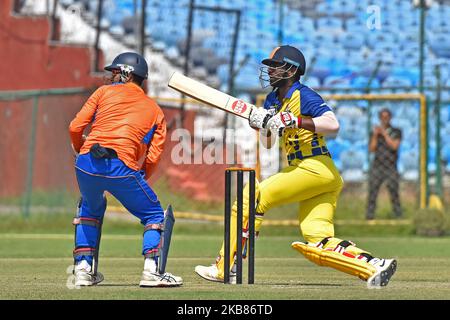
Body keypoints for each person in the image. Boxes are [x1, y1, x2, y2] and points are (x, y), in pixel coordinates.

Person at [195, 45, 397, 288]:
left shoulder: (305, 95)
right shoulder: (272, 100)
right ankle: (375, 265)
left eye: (275, 67)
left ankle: (226, 266)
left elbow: (333, 125)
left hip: (314, 166)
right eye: (268, 67)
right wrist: (261, 124)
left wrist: (295, 119)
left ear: (290, 70)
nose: (269, 72)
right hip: (319, 175)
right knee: (317, 237)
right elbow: (268, 142)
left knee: (252, 196)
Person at [69, 52, 182, 287]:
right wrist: (138, 180)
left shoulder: (102, 93)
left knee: (90, 208)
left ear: (127, 73)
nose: (112, 77)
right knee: (153, 214)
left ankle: (82, 269)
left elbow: (75, 126)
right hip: (123, 168)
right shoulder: (155, 111)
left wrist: (82, 150)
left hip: (86, 164)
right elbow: (153, 156)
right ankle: (151, 272)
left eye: (115, 72)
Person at [366, 108, 403, 220]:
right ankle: (369, 217)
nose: (384, 119)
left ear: (390, 118)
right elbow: (371, 149)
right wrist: (376, 135)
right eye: (382, 117)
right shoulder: (374, 132)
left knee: (394, 191)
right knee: (373, 191)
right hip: (377, 165)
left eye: (386, 117)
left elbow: (394, 146)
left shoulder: (396, 131)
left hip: (391, 166)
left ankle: (398, 216)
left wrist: (384, 134)